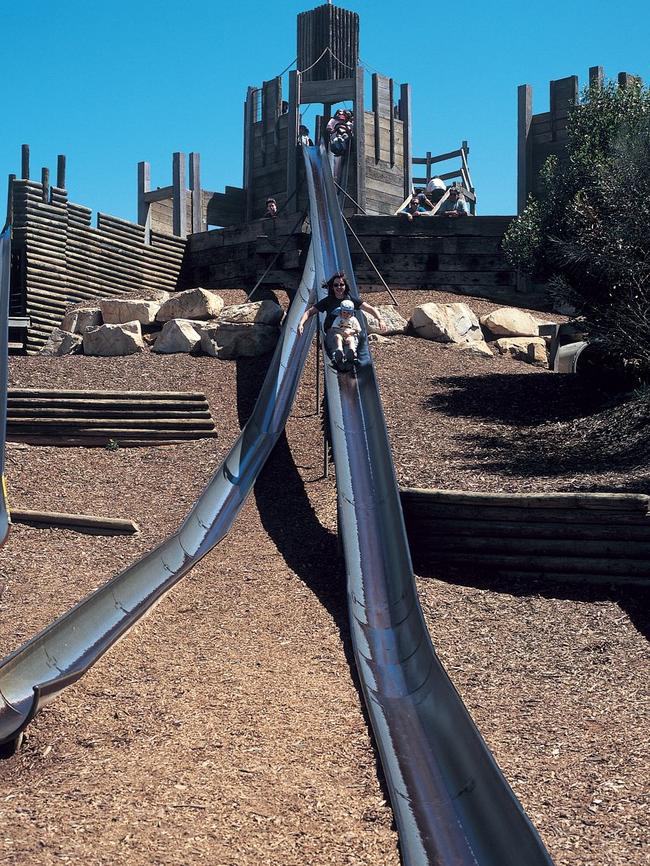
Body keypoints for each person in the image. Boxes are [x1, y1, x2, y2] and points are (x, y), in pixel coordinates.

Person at [297, 272, 386, 347]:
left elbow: (369, 308)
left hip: (348, 331)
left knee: (354, 341)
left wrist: (380, 319)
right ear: (332, 287)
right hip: (333, 331)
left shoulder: (350, 300)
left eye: (341, 284)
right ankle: (339, 355)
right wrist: (301, 324)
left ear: (345, 286)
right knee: (337, 340)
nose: (339, 287)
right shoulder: (328, 301)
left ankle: (352, 356)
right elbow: (310, 312)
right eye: (336, 285)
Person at [329, 299, 362, 366]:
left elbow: (358, 330)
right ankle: (339, 350)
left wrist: (351, 332)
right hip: (341, 335)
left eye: (348, 313)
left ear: (352, 313)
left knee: (351, 339)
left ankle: (352, 352)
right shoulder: (338, 318)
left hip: (350, 336)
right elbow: (334, 328)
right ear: (341, 311)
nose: (346, 314)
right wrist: (341, 331)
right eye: (344, 312)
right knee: (337, 336)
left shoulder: (353, 319)